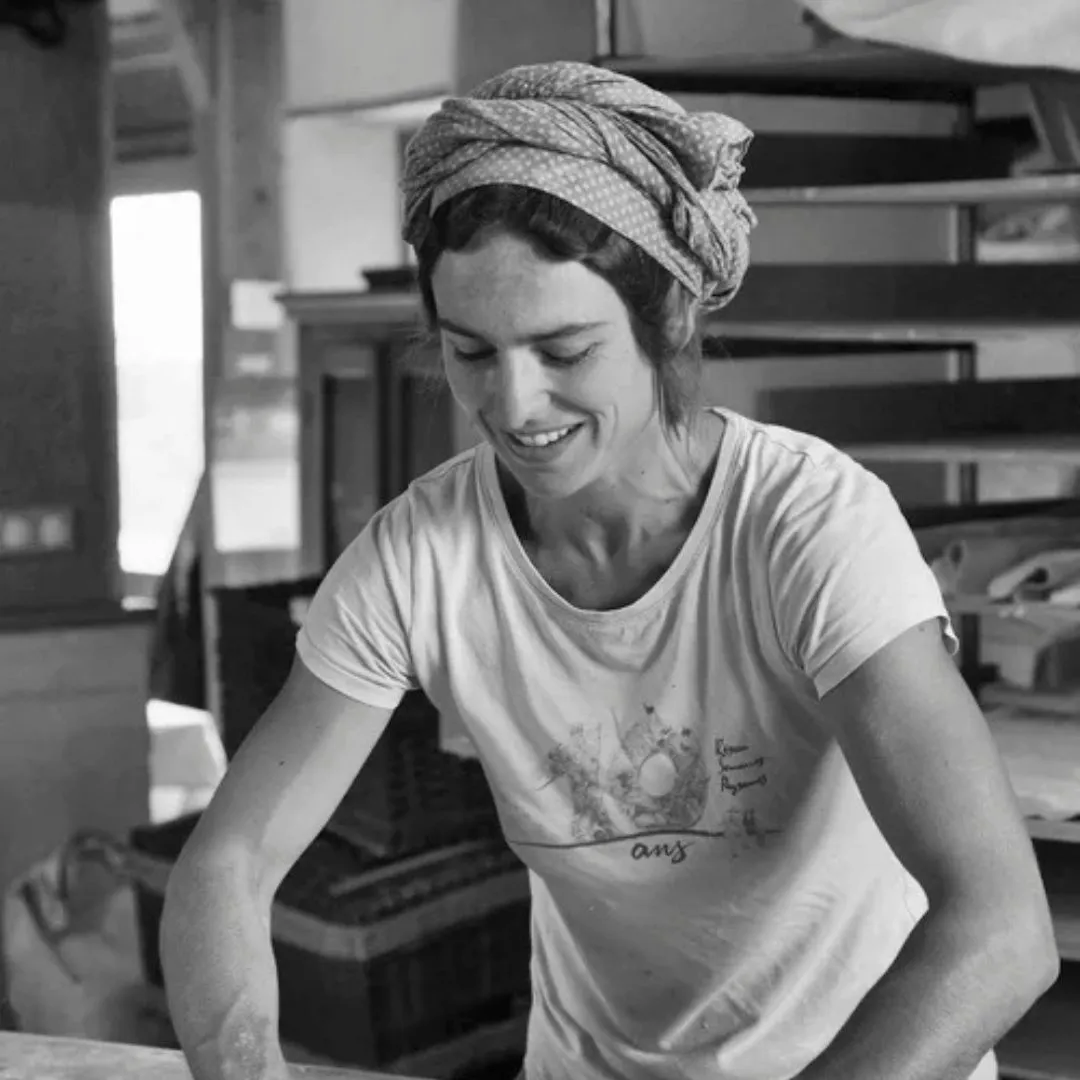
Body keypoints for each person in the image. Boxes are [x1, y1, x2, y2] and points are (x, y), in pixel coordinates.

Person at [160, 61, 1058, 1080]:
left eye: (564, 350)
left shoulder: (810, 527)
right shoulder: (420, 556)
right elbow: (228, 865)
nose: (514, 405)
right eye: (472, 353)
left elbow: (1000, 930)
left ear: (669, 318)